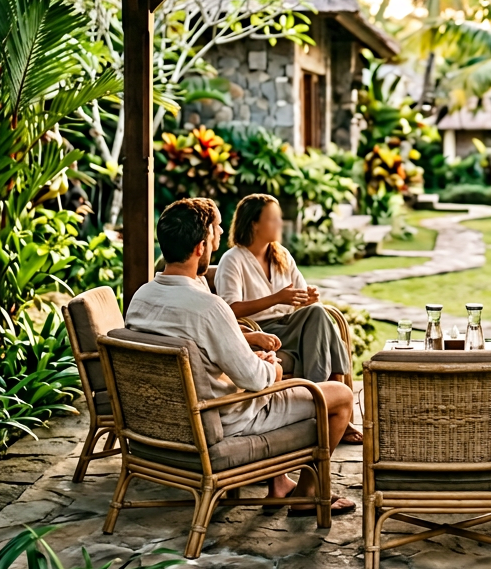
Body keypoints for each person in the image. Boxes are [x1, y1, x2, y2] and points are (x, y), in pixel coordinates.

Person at [125, 197, 357, 514]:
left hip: (165, 421)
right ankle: (308, 491)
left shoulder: (141, 297)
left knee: (286, 367)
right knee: (340, 395)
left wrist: (246, 338)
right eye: (215, 234)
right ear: (199, 249)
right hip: (228, 418)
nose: (219, 239)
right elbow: (255, 380)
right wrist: (272, 368)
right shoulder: (207, 307)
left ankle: (280, 484)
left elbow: (195, 337)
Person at [215, 193, 361, 444]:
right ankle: (327, 402)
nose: (280, 223)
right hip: (258, 330)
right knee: (318, 318)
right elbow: (228, 310)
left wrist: (309, 298)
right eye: (273, 219)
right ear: (254, 224)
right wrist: (276, 298)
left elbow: (301, 299)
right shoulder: (233, 260)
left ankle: (323, 400)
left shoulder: (280, 254)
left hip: (290, 327)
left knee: (317, 312)